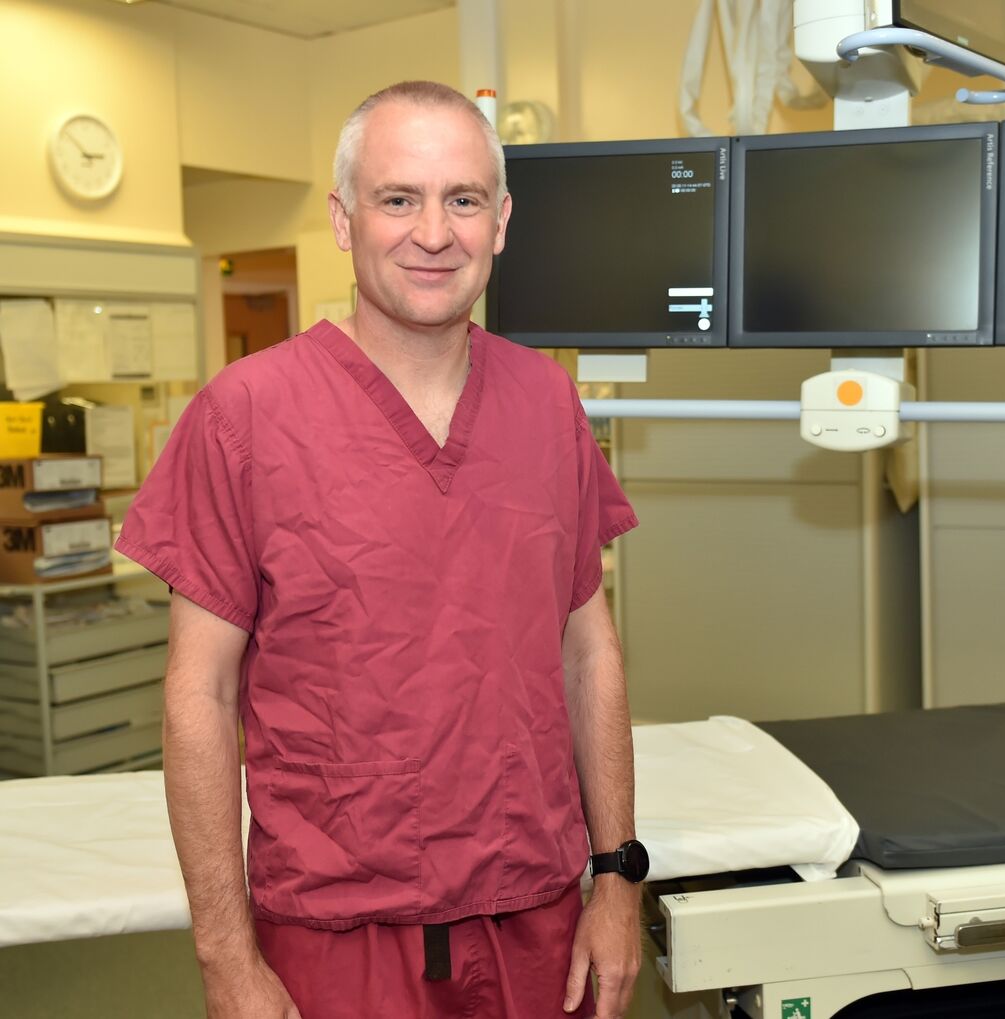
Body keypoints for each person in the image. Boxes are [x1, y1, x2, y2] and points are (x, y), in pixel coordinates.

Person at [115, 80, 644, 1019]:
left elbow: (587, 647)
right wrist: (226, 956)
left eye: (464, 199)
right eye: (399, 198)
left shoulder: (547, 403)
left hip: (536, 920)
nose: (433, 233)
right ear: (343, 219)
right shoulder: (245, 415)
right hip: (336, 938)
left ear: (503, 221)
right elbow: (198, 695)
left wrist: (616, 876)